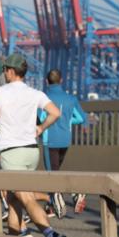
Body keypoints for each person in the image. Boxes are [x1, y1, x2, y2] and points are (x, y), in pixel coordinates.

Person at [0, 54, 66, 237]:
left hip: (12, 153)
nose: (4, 72)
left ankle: (50, 234)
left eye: (4, 69)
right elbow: (55, 113)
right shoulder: (35, 93)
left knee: (25, 197)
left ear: (10, 71)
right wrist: (41, 128)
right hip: (32, 151)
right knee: (13, 201)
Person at [41, 69, 88, 216]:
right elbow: (81, 118)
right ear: (61, 81)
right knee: (55, 173)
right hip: (65, 141)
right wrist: (67, 120)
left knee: (51, 175)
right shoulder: (71, 99)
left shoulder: (44, 99)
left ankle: (75, 193)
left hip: (50, 141)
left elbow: (42, 119)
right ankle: (50, 207)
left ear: (46, 81)